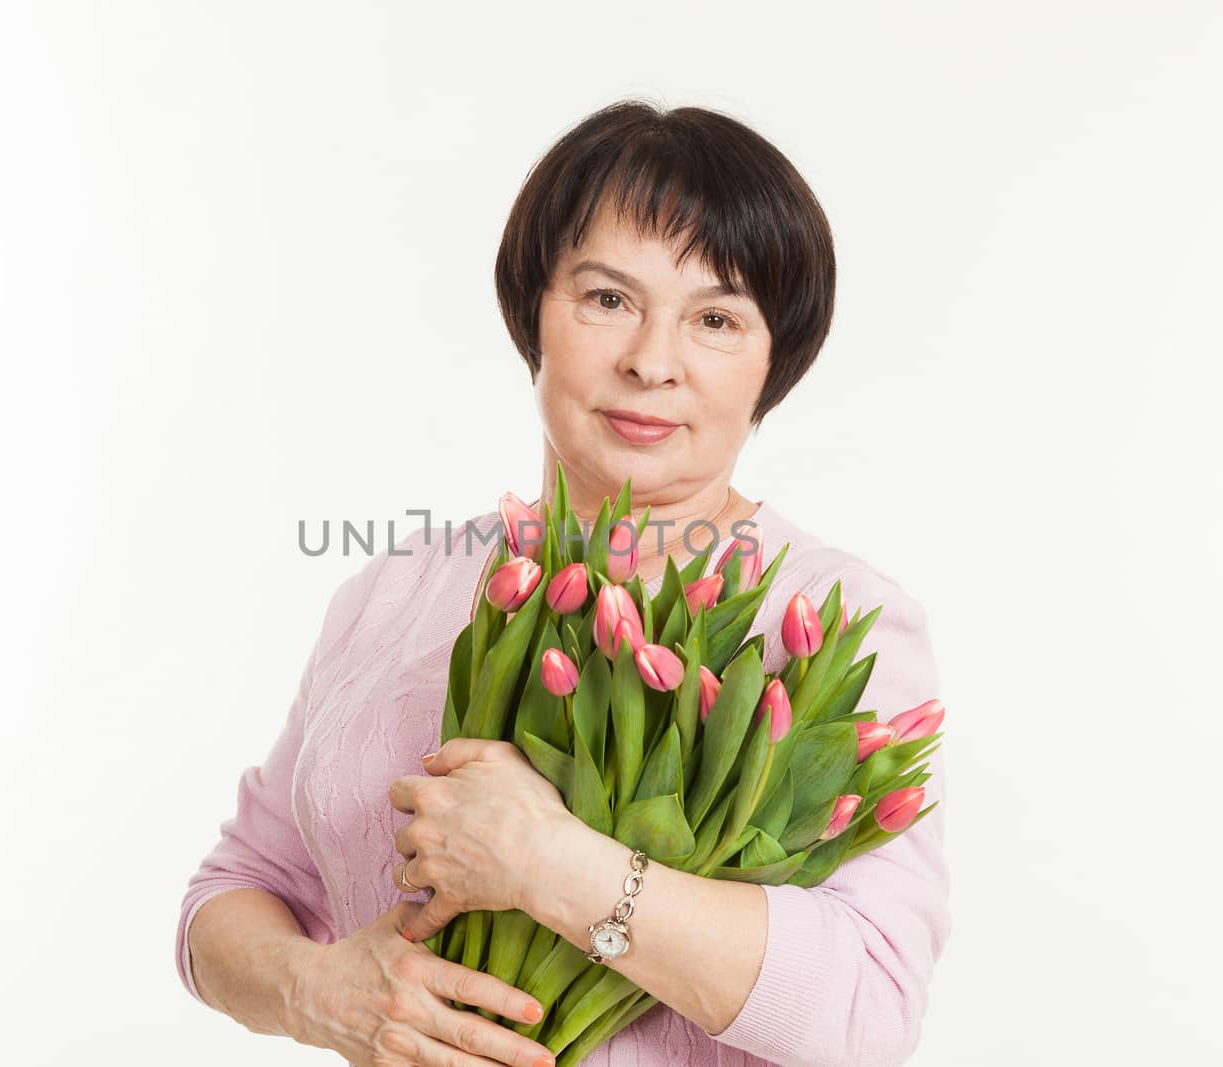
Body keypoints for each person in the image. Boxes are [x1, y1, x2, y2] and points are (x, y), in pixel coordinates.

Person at [174, 98, 951, 1067]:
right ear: (532, 309)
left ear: (771, 361)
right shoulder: (400, 587)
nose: (650, 362)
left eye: (715, 318)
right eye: (607, 298)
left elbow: (869, 1015)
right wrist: (317, 988)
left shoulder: (827, 622)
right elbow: (237, 889)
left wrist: (556, 865)